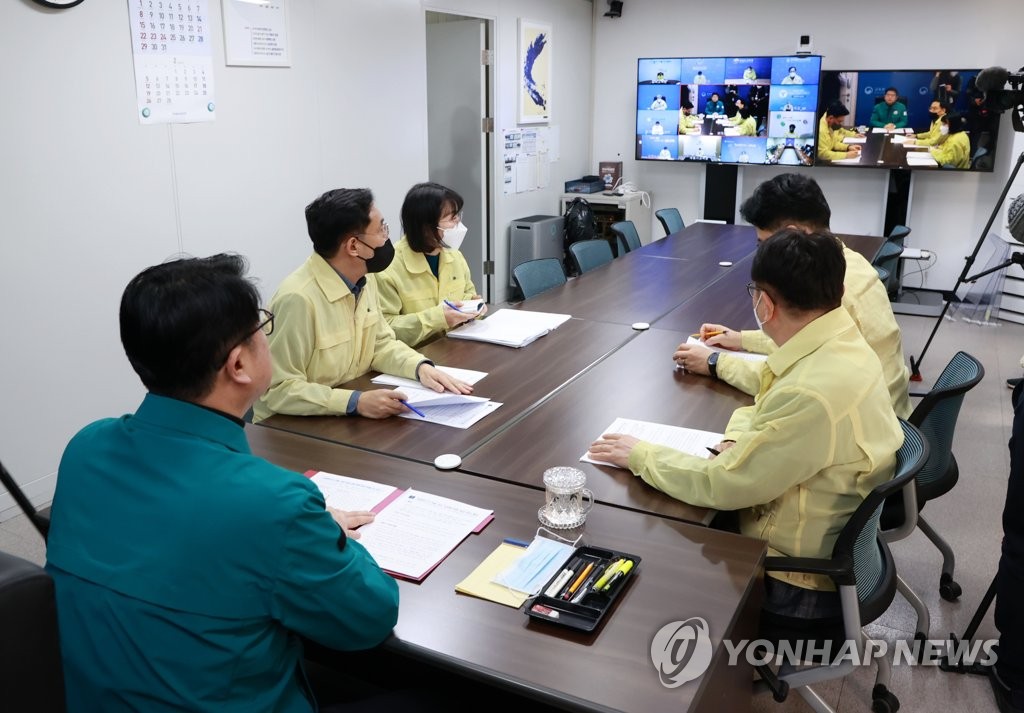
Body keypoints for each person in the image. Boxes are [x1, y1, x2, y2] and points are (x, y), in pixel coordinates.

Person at [44, 254, 401, 712]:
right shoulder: (274, 504)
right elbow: (369, 619)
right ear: (238, 365)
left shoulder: (86, 448)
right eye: (262, 329)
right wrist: (320, 529)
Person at [590, 229, 904, 620]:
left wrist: (640, 454)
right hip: (832, 541)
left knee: (647, 546)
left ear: (765, 305)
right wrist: (742, 441)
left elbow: (720, 485)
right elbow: (767, 400)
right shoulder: (840, 342)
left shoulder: (811, 393)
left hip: (794, 579)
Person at [672, 173, 913, 419]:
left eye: (763, 244)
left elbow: (788, 382)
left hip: (867, 425)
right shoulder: (846, 262)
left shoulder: (830, 289)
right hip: (887, 418)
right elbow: (805, 339)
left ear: (793, 234)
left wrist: (714, 363)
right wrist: (740, 339)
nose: (762, 253)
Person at [254, 188, 471, 422]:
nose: (388, 238)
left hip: (343, 416)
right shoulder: (297, 298)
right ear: (354, 246)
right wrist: (355, 401)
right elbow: (277, 390)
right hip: (290, 428)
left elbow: (380, 344)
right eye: (381, 230)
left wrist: (420, 368)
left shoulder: (363, 281)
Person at [377, 182, 485, 348]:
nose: (458, 224)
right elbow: (386, 328)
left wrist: (473, 308)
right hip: (416, 357)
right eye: (452, 218)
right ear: (426, 227)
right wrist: (438, 318)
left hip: (457, 349)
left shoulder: (454, 256)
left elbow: (468, 294)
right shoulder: (388, 268)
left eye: (458, 216)